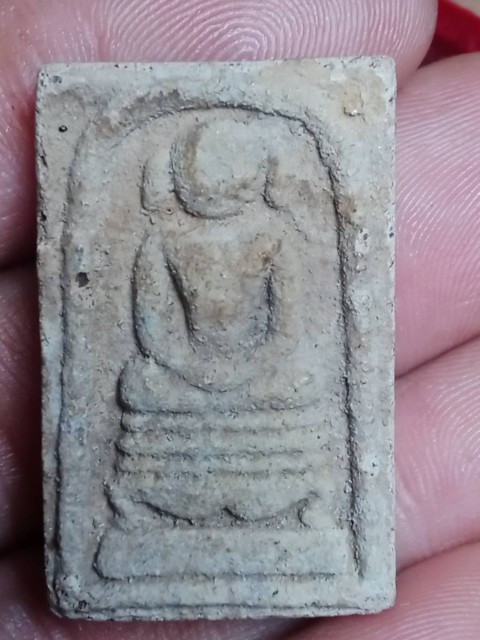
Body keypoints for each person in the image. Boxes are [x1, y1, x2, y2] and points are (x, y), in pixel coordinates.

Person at [0, 0, 479, 638]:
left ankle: (303, 511)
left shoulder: (275, 236)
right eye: (202, 177)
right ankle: (143, 513)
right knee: (137, 384)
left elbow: (289, 329)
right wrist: (190, 367)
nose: (214, 190)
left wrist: (250, 368)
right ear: (179, 178)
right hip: (180, 374)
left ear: (255, 179)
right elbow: (153, 326)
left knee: (307, 380)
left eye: (228, 178)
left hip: (263, 372)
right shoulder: (163, 239)